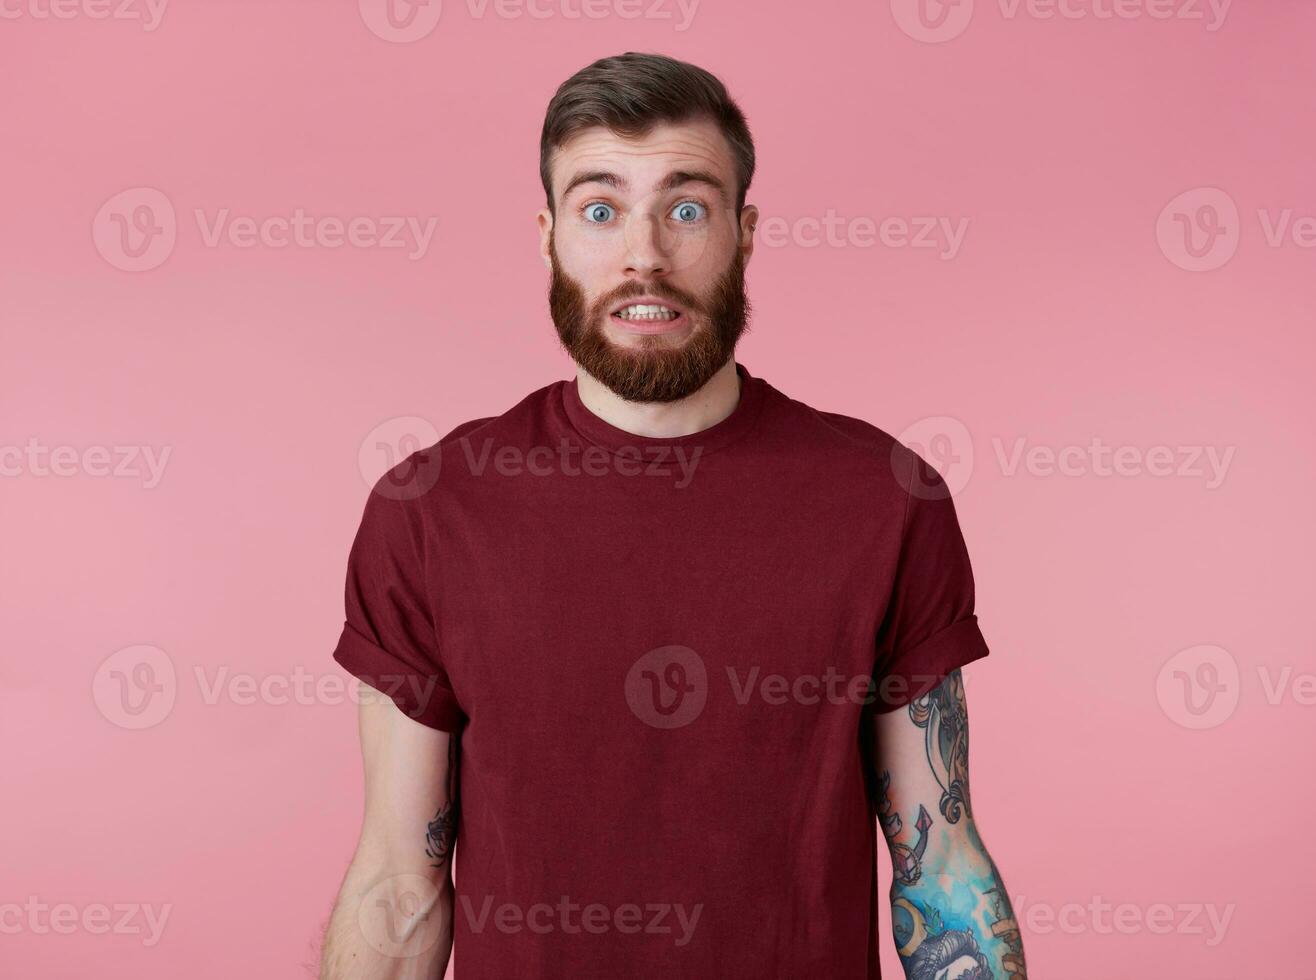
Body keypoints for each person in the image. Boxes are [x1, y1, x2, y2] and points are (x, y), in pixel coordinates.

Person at [320, 51, 1027, 980]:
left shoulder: (884, 498)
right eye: (601, 209)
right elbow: (399, 884)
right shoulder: (431, 510)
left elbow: (938, 865)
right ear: (548, 237)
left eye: (686, 209)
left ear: (744, 231)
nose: (644, 253)